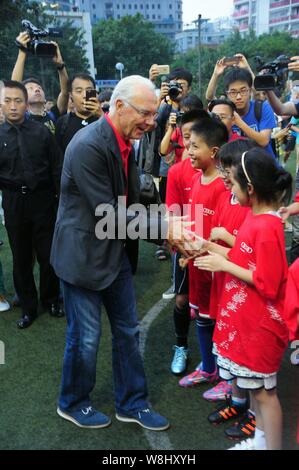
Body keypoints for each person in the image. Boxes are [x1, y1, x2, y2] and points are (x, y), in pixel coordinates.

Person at [51, 75, 169, 431]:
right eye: (146, 114)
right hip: (82, 257)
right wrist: (166, 229)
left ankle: (131, 403)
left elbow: (132, 197)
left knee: (127, 332)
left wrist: (170, 223)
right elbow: (109, 213)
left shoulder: (125, 141)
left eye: (154, 114)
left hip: (112, 251)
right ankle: (72, 402)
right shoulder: (88, 144)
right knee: (85, 337)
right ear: (118, 107)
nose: (151, 122)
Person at [194, 148, 292, 450]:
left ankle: (268, 444)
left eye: (233, 185)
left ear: (250, 188)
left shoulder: (267, 226)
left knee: (265, 394)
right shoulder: (255, 217)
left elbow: (270, 282)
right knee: (258, 392)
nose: (230, 191)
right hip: (248, 320)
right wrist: (208, 246)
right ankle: (260, 441)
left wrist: (223, 264)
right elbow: (243, 257)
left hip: (261, 324)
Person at [0, 80, 63, 329]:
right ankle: (28, 307)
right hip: (14, 203)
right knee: (21, 258)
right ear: (2, 104)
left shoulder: (41, 132)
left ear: (26, 103)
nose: (13, 106)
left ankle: (51, 299)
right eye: (8, 101)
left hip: (43, 200)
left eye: (18, 100)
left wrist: (60, 200)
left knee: (48, 256)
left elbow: (57, 167)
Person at [178, 117, 229, 388]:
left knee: (221, 320)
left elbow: (224, 230)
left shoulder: (225, 186)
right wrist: (187, 252)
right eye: (188, 145)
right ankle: (209, 368)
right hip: (198, 266)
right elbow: (195, 221)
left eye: (195, 146)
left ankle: (226, 376)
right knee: (201, 317)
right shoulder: (198, 179)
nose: (189, 151)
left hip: (217, 269)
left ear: (214, 152)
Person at [165, 109, 209, 374]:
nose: (190, 144)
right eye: (186, 136)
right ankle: (181, 346)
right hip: (185, 247)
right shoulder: (176, 172)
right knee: (182, 299)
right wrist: (183, 246)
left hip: (214, 247)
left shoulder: (219, 172)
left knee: (213, 304)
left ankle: (215, 358)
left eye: (195, 138)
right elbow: (172, 214)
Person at [12, 31, 69, 122]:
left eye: (39, 88)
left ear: (45, 98)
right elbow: (14, 88)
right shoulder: (21, 118)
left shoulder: (53, 115)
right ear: (22, 97)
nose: (37, 89)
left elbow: (65, 92)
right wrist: (22, 51)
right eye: (30, 88)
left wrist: (60, 66)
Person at [55, 73, 101, 155]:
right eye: (79, 91)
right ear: (71, 95)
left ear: (95, 93)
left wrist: (101, 116)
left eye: (89, 90)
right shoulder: (62, 123)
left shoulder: (105, 118)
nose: (84, 95)